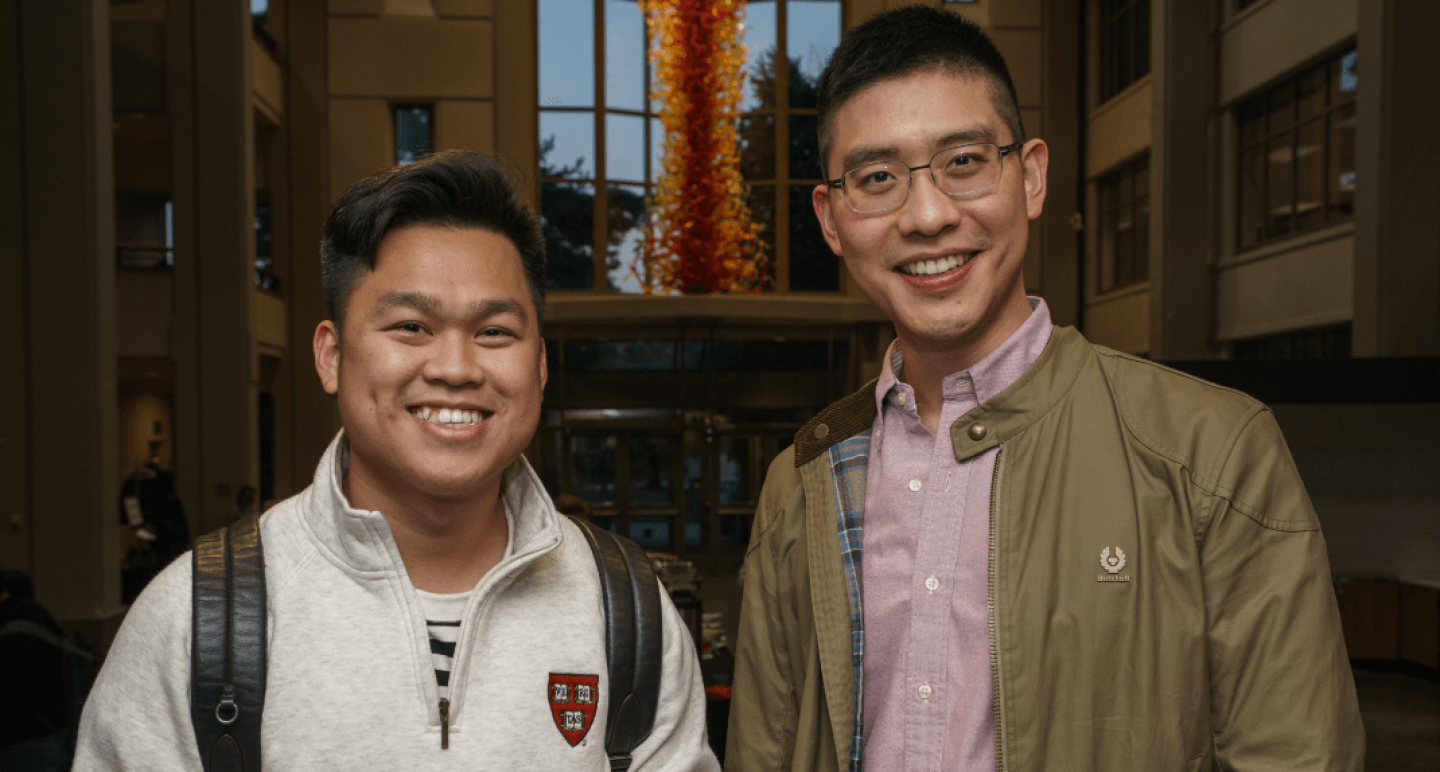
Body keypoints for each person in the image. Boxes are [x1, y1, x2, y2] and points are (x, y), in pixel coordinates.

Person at [725, 7, 1363, 772]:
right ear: (832, 218)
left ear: (1029, 176)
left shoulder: (1211, 453)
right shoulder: (801, 483)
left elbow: (1295, 756)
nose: (928, 216)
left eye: (963, 162)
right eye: (878, 179)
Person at [75, 151, 719, 770]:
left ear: (541, 364)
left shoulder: (628, 611)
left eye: (494, 332)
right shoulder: (199, 620)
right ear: (331, 357)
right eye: (411, 326)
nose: (456, 368)